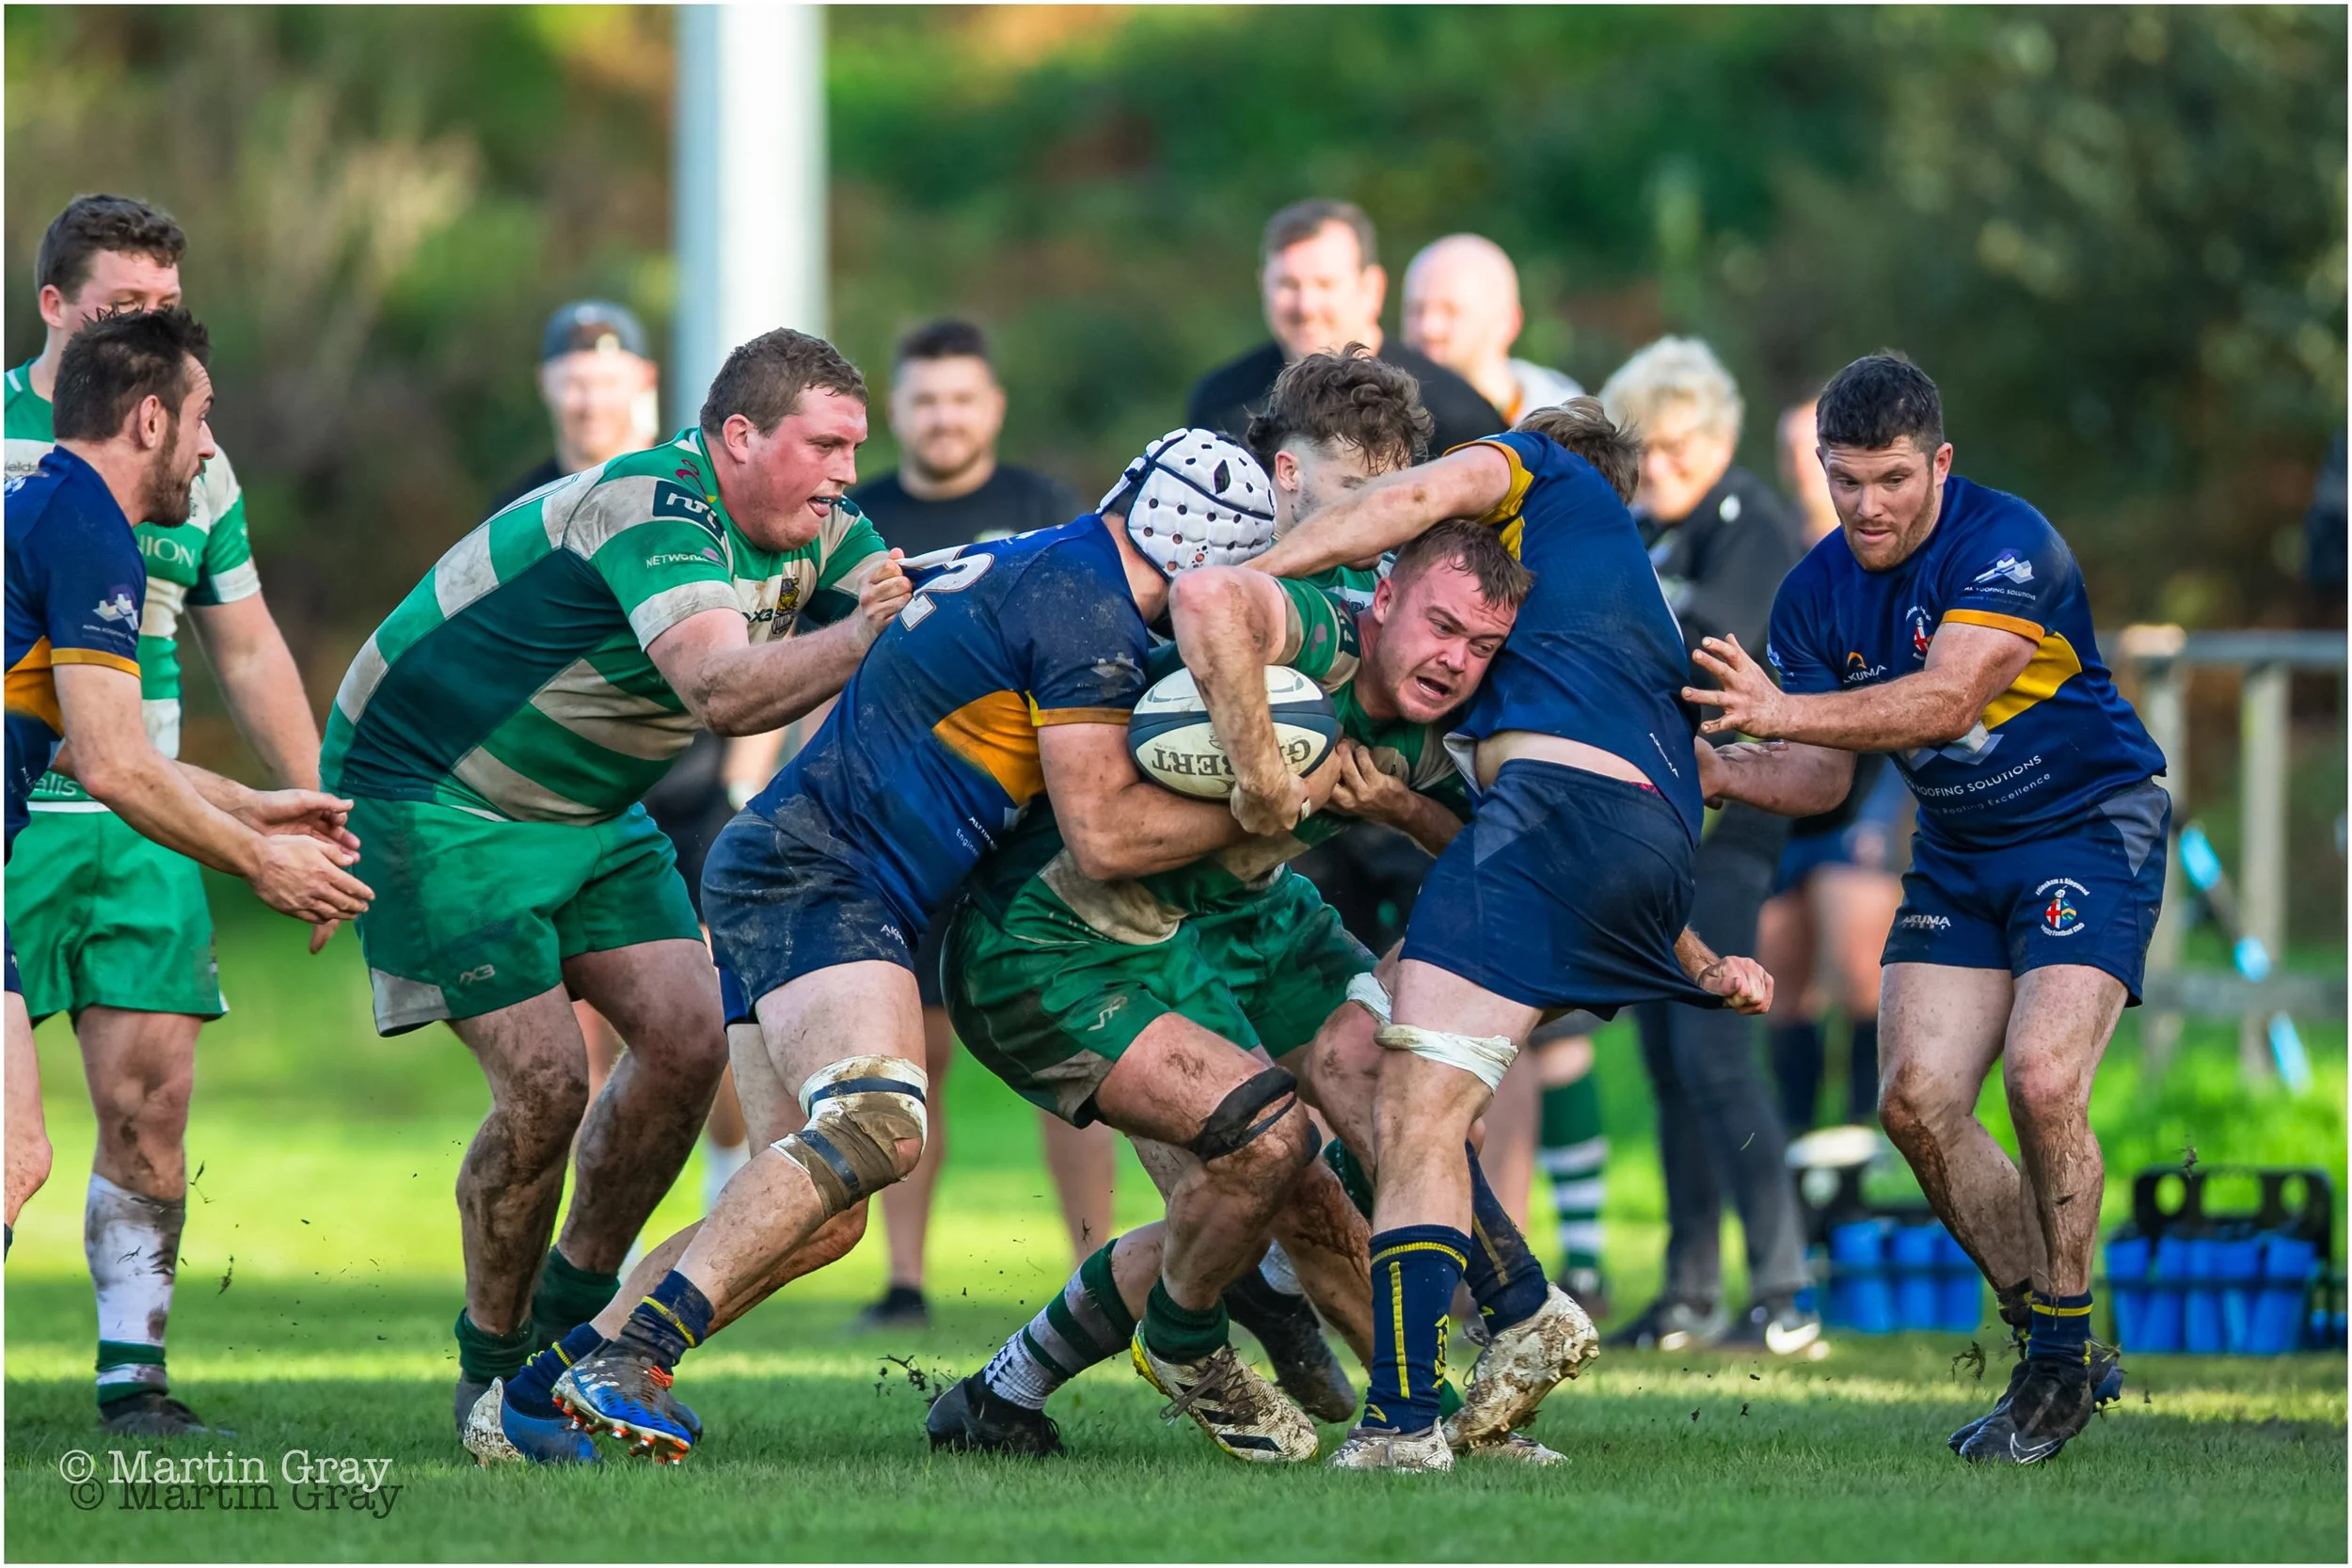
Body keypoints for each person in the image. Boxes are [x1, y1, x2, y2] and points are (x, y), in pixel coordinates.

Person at [545, 431, 1322, 1465]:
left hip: (787, 861)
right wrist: (1274, 805)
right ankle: (630, 1355)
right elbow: (1101, 833)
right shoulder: (1086, 609)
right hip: (822, 874)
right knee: (876, 1119)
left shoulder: (1046, 558)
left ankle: (547, 1386)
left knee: (817, 1215)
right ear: (1203, 561)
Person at [318, 327, 911, 1458]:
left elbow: (906, 612)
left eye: (853, 450)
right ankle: (493, 1381)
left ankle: (564, 1334)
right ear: (738, 436)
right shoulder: (658, 506)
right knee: (545, 1082)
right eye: (826, 445)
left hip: (588, 806)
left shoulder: (817, 521)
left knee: (688, 1039)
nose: (847, 474)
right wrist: (866, 631)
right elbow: (725, 688)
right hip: (434, 795)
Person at [931, 521, 1575, 1465]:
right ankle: (1215, 1339)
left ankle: (1441, 1388)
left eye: (1480, 646)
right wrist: (1270, 775)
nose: (1454, 659)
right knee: (1269, 1161)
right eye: (1441, 626)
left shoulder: (1445, 721)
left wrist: (1394, 806)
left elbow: (1498, 848)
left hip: (1239, 918)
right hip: (1060, 938)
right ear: (1384, 593)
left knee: (1411, 1120)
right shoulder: (1310, 630)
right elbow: (1208, 600)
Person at [1240, 398, 1773, 1471]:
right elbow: (1527, 829)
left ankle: (1401, 1421)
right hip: (1626, 861)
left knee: (1414, 1108)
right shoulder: (1560, 635)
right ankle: (1520, 1304)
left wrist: (1261, 574)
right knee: (1363, 1044)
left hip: (1565, 824)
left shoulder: (1547, 479)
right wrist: (1701, 959)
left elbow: (1421, 494)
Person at [1689, 351, 2163, 1465]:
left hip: (2087, 826)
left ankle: (2050, 1365)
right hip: (1959, 849)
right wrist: (1718, 769)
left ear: (1939, 463)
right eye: (1844, 478)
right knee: (1912, 1099)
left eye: (1892, 478)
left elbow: (1951, 695)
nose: (1867, 504)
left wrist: (1785, 711)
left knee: (2044, 1076)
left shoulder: (2008, 541)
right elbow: (1817, 781)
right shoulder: (1812, 589)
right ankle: (2052, 1343)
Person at [4, 197, 342, 1438]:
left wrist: (280, 809)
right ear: (56, 306)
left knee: (118, 1112)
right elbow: (104, 753)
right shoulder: (87, 503)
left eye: (168, 308)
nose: (160, 328)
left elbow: (222, 669)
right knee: (10, 1148)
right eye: (131, 310)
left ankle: (131, 1373)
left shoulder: (134, 491)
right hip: (66, 802)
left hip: (132, 800)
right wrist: (260, 852)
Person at [842, 318, 1100, 1330]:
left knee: (1078, 1048)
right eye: (924, 399)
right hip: (903, 820)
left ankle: (1095, 1266)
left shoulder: (1042, 510)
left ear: (990, 406)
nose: (943, 416)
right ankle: (903, 1279)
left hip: (1030, 820)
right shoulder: (857, 521)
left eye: (961, 398)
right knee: (914, 1055)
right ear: (895, 414)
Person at [493, 298, 754, 1216]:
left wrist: (745, 781)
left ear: (641, 384)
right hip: (569, 802)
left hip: (692, 794)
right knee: (579, 1025)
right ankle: (595, 1227)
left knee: (712, 1017)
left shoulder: (687, 491)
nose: (587, 396)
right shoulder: (523, 508)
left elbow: (761, 636)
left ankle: (726, 1188)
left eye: (606, 378)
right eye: (572, 378)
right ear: (547, 387)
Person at [1594, 338, 1817, 1357]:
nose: (1663, 465)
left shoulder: (1749, 524)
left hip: (1735, 806)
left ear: (1720, 439)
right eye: (1647, 449)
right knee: (1664, 1052)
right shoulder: (1643, 526)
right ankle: (1687, 1288)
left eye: (1680, 446)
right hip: (1653, 815)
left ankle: (1783, 1286)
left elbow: (1714, 651)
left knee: (1717, 1042)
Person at [1757, 398, 1911, 1133]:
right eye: (1795, 451)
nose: (1802, 463)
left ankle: (1866, 1140)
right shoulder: (1771, 544)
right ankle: (1795, 1153)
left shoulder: (1884, 553)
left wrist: (1886, 815)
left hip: (1863, 800)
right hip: (1782, 795)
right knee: (1781, 982)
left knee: (1857, 973)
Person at [1187, 199, 1502, 457]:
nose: (1305, 305)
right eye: (1287, 284)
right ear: (1262, 285)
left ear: (1371, 288)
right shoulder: (1221, 401)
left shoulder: (1456, 416)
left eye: (1325, 284)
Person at [1401, 233, 1583, 424]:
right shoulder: (1384, 423)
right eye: (1416, 310)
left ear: (1508, 322)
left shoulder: (1566, 431)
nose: (1428, 328)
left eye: (1451, 311)